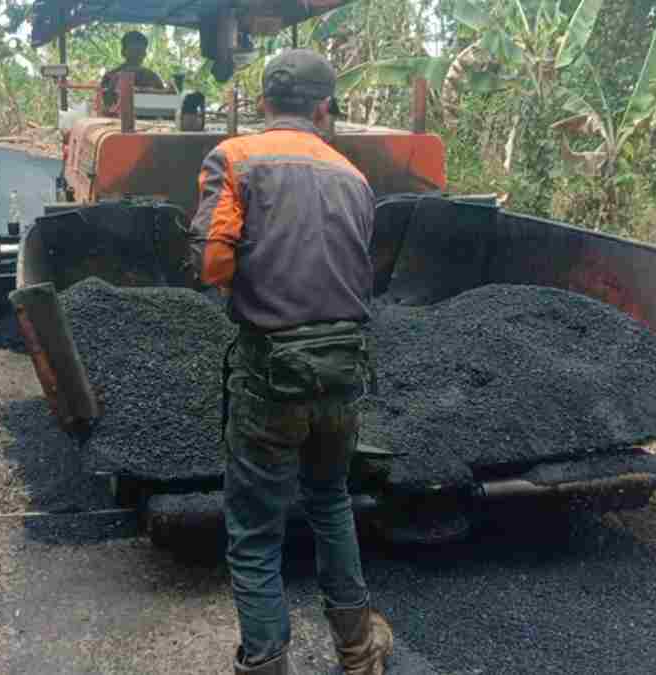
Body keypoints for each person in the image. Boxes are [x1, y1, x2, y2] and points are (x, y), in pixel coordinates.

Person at [189, 50, 393, 675]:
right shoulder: (354, 177)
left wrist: (248, 281)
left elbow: (210, 263)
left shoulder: (236, 158)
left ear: (264, 101)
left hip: (271, 374)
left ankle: (267, 663)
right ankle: (358, 653)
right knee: (330, 501)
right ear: (325, 107)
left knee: (255, 532)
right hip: (342, 373)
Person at [100, 30, 169, 111]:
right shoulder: (110, 76)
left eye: (140, 51)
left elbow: (165, 103)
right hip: (116, 121)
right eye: (134, 50)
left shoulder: (152, 77)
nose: (137, 54)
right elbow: (106, 106)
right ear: (123, 52)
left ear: (144, 54)